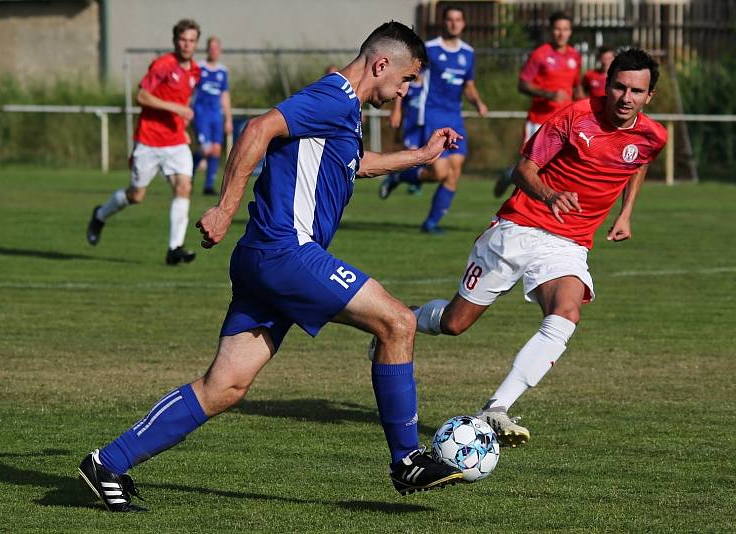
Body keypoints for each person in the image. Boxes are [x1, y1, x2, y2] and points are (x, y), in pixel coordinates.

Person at [77, 21, 466, 513]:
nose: (405, 91)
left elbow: (355, 164)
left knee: (225, 386)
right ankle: (407, 457)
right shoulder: (333, 94)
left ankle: (107, 462)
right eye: (407, 80)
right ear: (381, 64)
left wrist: (421, 155)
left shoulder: (344, 111)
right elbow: (258, 128)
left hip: (265, 259)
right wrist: (223, 207)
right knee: (398, 322)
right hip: (286, 252)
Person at [407, 48, 667, 446]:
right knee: (454, 324)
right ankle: (402, 319)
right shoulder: (573, 116)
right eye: (619, 87)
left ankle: (496, 409)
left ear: (649, 97)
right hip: (519, 228)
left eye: (636, 91)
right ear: (606, 84)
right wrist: (549, 195)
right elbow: (523, 169)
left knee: (567, 312)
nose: (626, 97)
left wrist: (626, 212)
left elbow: (640, 161)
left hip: (569, 244)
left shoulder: (652, 135)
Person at [86, 19, 201, 265]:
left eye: (191, 40)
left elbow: (184, 101)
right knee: (136, 195)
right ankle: (101, 214)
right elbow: (141, 95)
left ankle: (174, 248)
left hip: (176, 141)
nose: (187, 44)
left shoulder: (195, 72)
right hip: (149, 140)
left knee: (184, 187)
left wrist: (182, 125)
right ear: (175, 41)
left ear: (196, 43)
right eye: (183, 39)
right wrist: (175, 108)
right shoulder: (163, 65)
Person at [378, 6, 488, 234]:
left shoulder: (468, 53)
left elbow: (469, 86)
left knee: (454, 171)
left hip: (454, 117)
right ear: (443, 23)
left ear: (463, 23)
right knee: (438, 172)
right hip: (431, 115)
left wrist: (477, 102)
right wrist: (397, 108)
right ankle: (400, 176)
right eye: (450, 19)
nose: (454, 24)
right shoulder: (430, 49)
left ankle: (431, 224)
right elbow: (409, 77)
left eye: (458, 19)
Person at [493, 11, 583, 198]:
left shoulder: (575, 56)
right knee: (530, 167)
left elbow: (577, 87)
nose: (561, 33)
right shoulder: (540, 54)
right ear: (551, 31)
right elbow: (522, 84)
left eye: (565, 29)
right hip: (539, 120)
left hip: (565, 122)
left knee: (556, 167)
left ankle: (535, 201)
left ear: (570, 32)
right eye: (558, 29)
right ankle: (512, 182)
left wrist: (584, 105)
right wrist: (548, 94)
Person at [192, 36, 233, 196]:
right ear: (207, 49)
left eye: (216, 48)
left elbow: (225, 95)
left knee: (215, 150)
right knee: (205, 148)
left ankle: (208, 186)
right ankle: (189, 176)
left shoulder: (223, 71)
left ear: (220, 51)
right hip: (201, 113)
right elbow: (190, 90)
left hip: (216, 115)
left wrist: (228, 119)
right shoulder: (199, 68)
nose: (214, 51)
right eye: (211, 48)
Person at [386, 74, 425, 194]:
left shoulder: (428, 89)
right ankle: (401, 178)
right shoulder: (409, 88)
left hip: (424, 127)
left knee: (424, 157)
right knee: (413, 155)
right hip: (410, 127)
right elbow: (400, 102)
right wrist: (396, 113)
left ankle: (414, 183)